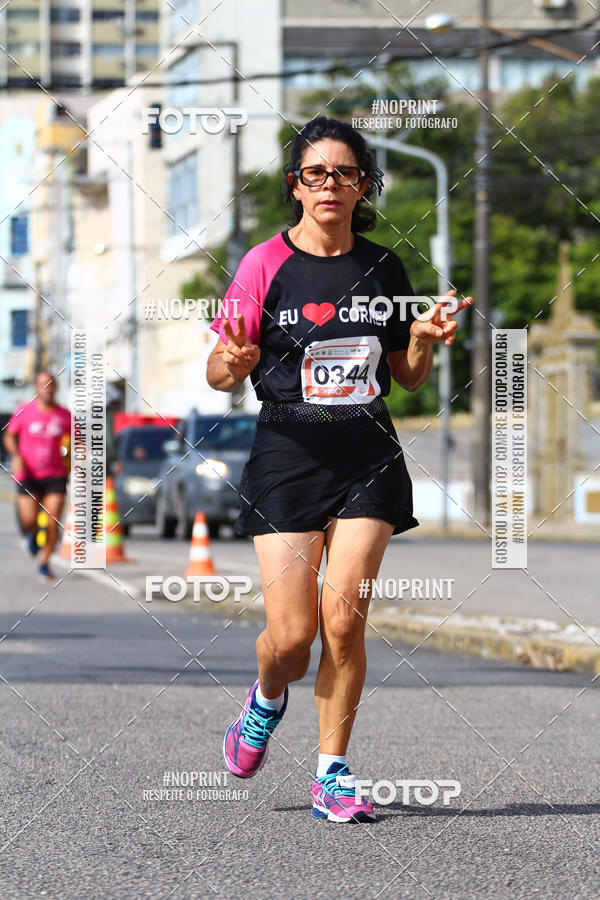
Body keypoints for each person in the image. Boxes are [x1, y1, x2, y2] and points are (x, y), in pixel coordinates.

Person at [206, 116, 472, 823]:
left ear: (363, 185)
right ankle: (265, 700)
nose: (330, 184)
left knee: (344, 623)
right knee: (291, 641)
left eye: (345, 173)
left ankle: (333, 772)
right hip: (287, 454)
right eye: (315, 173)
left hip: (367, 456)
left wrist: (421, 340)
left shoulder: (384, 268)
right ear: (296, 186)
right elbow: (218, 368)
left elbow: (407, 379)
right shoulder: (264, 264)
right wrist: (230, 364)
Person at [3, 371, 71, 583]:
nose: (47, 388)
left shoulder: (65, 415)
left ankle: (44, 564)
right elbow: (9, 436)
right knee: (29, 520)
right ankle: (32, 534)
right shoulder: (24, 411)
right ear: (36, 388)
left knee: (52, 522)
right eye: (43, 384)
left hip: (55, 475)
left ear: (56, 388)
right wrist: (15, 455)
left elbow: (78, 441)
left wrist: (79, 455)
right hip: (28, 475)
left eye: (51, 384)